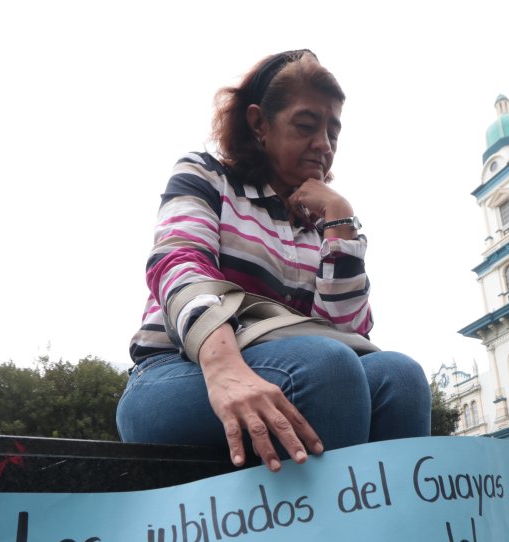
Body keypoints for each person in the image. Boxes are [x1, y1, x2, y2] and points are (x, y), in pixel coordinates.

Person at [116, 50, 430, 472]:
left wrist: (340, 223)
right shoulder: (207, 176)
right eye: (306, 125)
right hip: (179, 372)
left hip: (300, 368)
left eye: (333, 132)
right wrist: (225, 367)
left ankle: (383, 518)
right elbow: (179, 262)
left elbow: (348, 337)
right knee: (326, 367)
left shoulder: (320, 223)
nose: (324, 145)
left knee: (401, 376)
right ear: (259, 124)